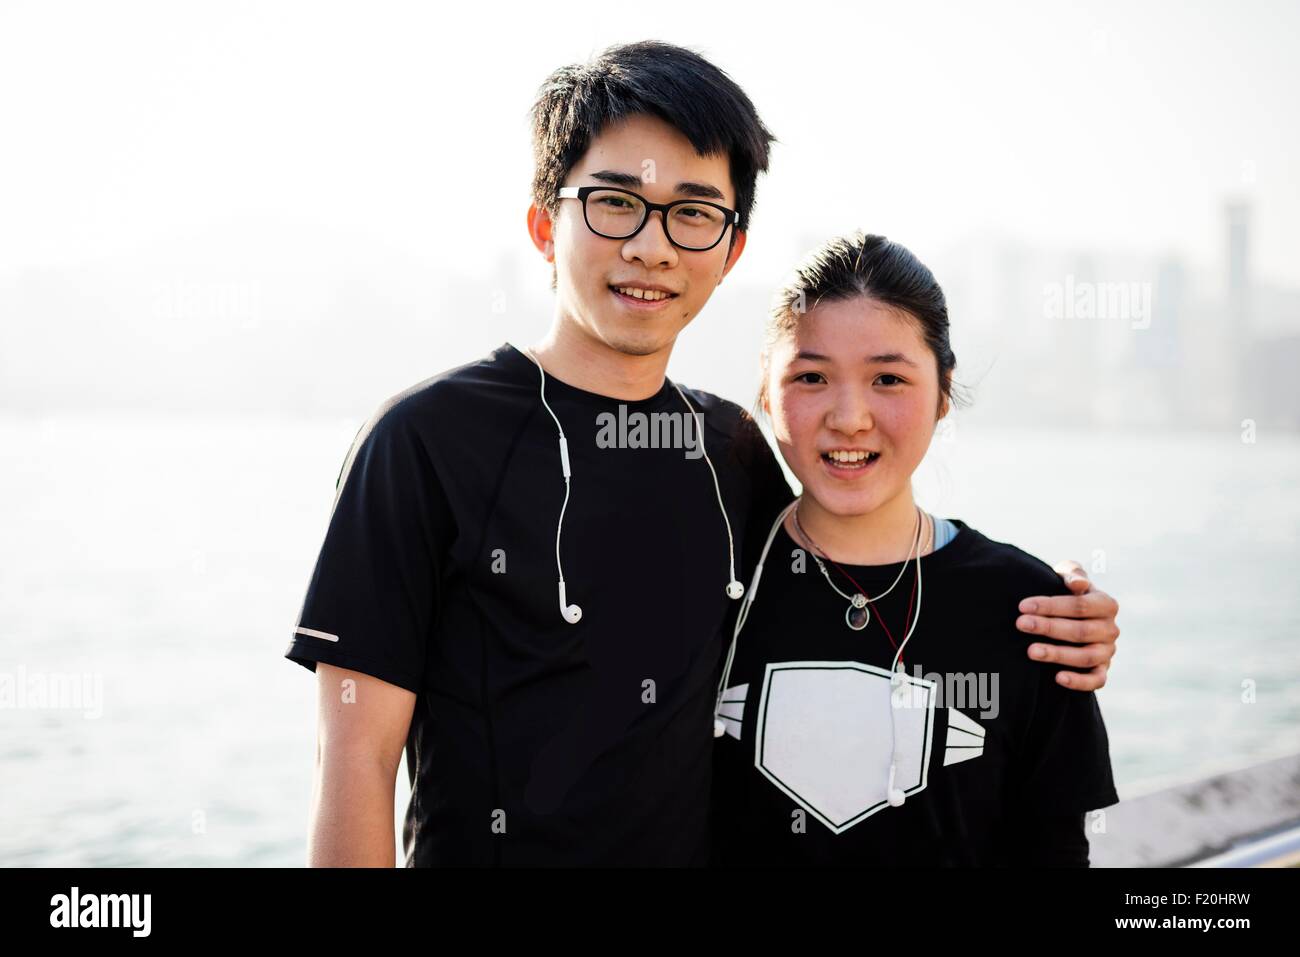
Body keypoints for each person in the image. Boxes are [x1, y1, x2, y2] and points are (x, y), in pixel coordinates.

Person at [282, 41, 1121, 867]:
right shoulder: (423, 440)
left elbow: (863, 565)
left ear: (731, 249)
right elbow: (354, 762)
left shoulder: (732, 453)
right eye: (615, 202)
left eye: (692, 212)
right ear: (545, 224)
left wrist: (1062, 614)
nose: (651, 247)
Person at [709, 232, 1119, 866]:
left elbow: (1055, 851)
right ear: (766, 391)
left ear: (944, 392)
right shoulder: (710, 583)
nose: (849, 417)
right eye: (811, 376)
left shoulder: (1037, 614)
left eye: (888, 379)